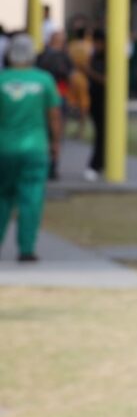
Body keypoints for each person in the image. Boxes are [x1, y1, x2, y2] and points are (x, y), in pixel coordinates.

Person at [0, 34, 61, 261]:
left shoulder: (2, 80)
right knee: (32, 198)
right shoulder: (44, 80)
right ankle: (26, 249)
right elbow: (54, 116)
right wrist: (55, 143)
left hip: (3, 149)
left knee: (2, 197)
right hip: (35, 148)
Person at [36, 30, 73, 180]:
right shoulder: (62, 57)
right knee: (56, 133)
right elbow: (69, 74)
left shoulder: (42, 56)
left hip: (46, 98)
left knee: (45, 132)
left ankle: (47, 165)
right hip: (58, 96)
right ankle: (52, 165)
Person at [83, 29, 107, 181]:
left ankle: (96, 165)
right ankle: (99, 164)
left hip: (104, 101)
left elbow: (106, 80)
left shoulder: (108, 58)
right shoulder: (94, 57)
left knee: (102, 135)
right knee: (100, 134)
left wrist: (88, 71)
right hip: (95, 99)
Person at [65, 27, 93, 139]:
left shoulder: (71, 46)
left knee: (69, 103)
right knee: (83, 105)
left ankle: (64, 128)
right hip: (84, 77)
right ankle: (80, 131)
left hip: (72, 76)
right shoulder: (89, 46)